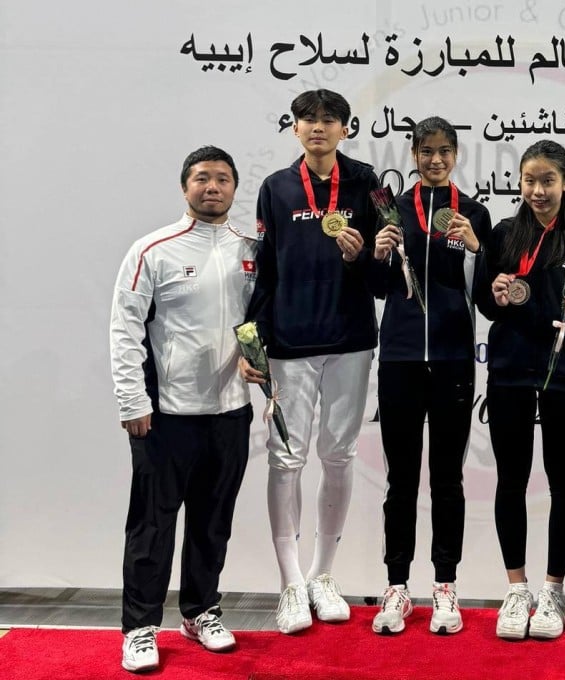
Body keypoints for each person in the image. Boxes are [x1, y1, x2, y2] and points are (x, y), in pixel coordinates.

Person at [240, 89, 380, 634]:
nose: (317, 127)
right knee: (285, 459)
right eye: (307, 119)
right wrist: (253, 342)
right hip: (289, 344)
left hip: (350, 339)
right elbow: (264, 270)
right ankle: (291, 582)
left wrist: (362, 256)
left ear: (346, 128)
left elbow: (386, 273)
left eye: (329, 119)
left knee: (339, 456)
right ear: (294, 128)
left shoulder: (367, 182)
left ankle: (323, 575)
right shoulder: (276, 188)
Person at [110, 146, 255, 672]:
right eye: (201, 178)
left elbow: (260, 321)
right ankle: (140, 627)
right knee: (152, 525)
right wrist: (133, 400)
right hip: (165, 415)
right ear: (184, 187)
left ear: (235, 187)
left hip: (231, 411)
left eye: (222, 179)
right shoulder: (152, 250)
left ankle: (200, 611)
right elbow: (124, 329)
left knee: (213, 523)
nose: (212, 187)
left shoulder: (252, 249)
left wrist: (262, 367)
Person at [477, 139, 565, 640]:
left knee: (562, 480)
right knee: (510, 480)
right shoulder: (504, 234)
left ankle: (553, 589)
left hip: (563, 373)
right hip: (509, 369)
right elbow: (485, 303)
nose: (537, 190)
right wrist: (495, 294)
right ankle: (517, 588)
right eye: (529, 180)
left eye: (547, 180)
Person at [369, 117, 492, 635]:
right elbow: (378, 287)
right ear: (413, 154)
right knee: (400, 479)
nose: (435, 159)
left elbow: (485, 295)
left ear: (456, 155)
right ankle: (396, 587)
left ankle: (445, 585)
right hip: (399, 358)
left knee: (447, 478)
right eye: (426, 150)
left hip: (452, 359)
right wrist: (377, 254)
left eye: (444, 151)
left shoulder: (474, 213)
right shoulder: (391, 209)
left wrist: (476, 249)